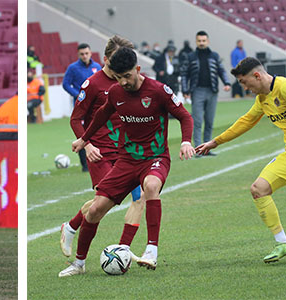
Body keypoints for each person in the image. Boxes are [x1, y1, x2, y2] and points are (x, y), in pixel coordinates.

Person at [196, 57, 286, 263]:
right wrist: (216, 142)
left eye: (244, 82)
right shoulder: (262, 99)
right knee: (258, 189)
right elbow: (246, 121)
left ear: (257, 76)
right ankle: (282, 242)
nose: (245, 87)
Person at [61, 47, 194, 277]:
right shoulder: (115, 92)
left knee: (150, 187)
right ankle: (79, 264)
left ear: (138, 69)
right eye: (119, 77)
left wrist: (185, 141)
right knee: (94, 210)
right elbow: (101, 115)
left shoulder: (159, 90)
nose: (123, 81)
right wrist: (84, 139)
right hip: (126, 160)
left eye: (127, 76)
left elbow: (184, 115)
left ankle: (151, 251)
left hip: (155, 157)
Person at [60, 35, 145, 261]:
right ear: (106, 59)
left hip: (126, 150)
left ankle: (123, 249)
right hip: (100, 152)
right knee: (103, 203)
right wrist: (87, 145)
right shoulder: (93, 84)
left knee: (139, 198)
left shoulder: (127, 79)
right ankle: (71, 228)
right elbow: (75, 119)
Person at [182, 31, 231, 154]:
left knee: (209, 121)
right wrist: (185, 90)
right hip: (197, 91)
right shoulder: (191, 56)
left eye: (204, 41)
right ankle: (198, 149)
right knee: (197, 121)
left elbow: (221, 70)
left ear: (208, 41)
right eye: (199, 41)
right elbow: (184, 74)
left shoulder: (214, 55)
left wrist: (227, 83)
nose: (202, 43)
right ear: (196, 42)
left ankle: (207, 149)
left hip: (212, 91)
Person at [63, 43, 101, 171]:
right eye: (82, 54)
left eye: (86, 53)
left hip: (95, 107)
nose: (84, 56)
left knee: (97, 131)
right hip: (81, 107)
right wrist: (77, 95)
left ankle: (98, 158)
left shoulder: (97, 67)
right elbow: (66, 84)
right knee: (82, 133)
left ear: (90, 53)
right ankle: (85, 165)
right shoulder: (72, 68)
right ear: (78, 55)